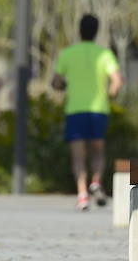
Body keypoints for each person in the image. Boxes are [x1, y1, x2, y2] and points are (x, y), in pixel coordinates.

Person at [51, 14, 124, 210]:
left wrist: (63, 85)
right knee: (98, 151)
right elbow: (117, 81)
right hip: (99, 110)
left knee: (78, 156)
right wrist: (110, 94)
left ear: (79, 30)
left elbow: (56, 82)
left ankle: (82, 194)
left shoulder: (67, 53)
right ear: (96, 31)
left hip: (75, 110)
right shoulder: (105, 54)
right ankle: (96, 182)